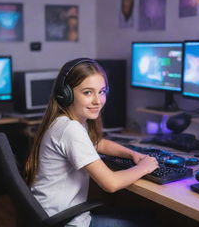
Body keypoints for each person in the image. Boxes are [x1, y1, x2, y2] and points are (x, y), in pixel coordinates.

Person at [25, 58, 159, 227]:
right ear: (65, 94)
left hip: (54, 215)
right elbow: (111, 183)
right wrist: (145, 167)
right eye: (88, 92)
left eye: (102, 91)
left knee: (143, 215)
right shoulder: (70, 130)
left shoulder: (64, 121)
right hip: (66, 222)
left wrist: (132, 154)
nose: (98, 101)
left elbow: (97, 143)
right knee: (149, 220)